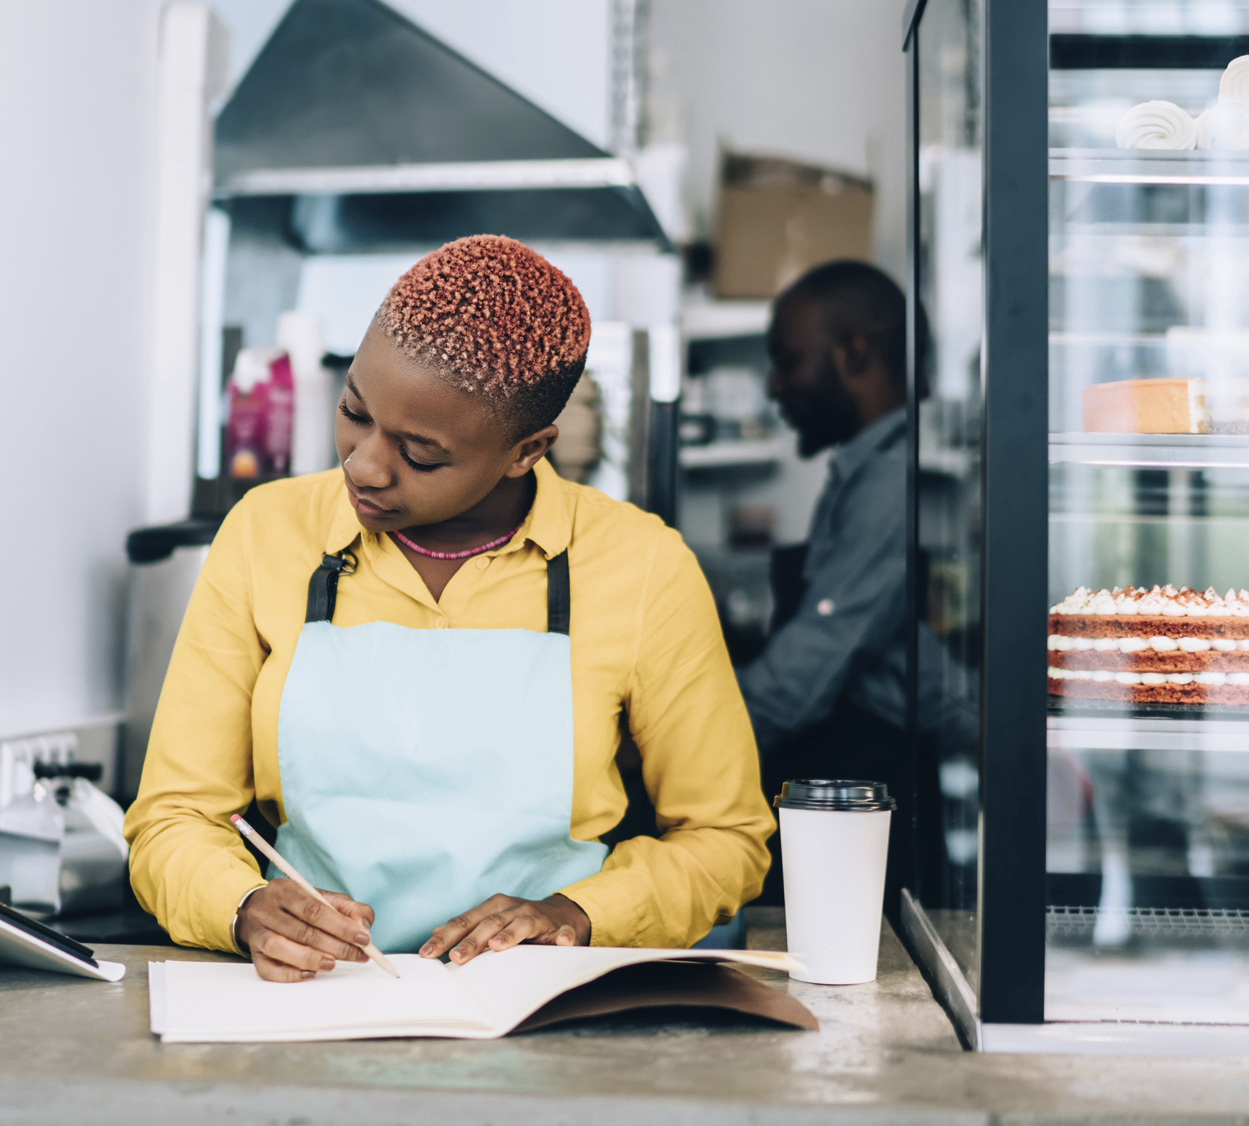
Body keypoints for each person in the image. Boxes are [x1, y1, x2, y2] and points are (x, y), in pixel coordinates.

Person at [125, 236, 774, 981]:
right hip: (313, 1004)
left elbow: (727, 840)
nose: (363, 465)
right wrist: (242, 906)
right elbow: (171, 819)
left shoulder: (643, 568)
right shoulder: (265, 535)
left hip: (537, 1013)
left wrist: (575, 916)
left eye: (421, 454)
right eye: (353, 412)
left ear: (527, 450)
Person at [737, 260, 925, 898]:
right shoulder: (865, 473)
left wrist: (683, 746)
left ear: (853, 353)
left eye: (788, 361)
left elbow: (805, 671)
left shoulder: (893, 482)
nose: (776, 386)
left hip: (869, 773)